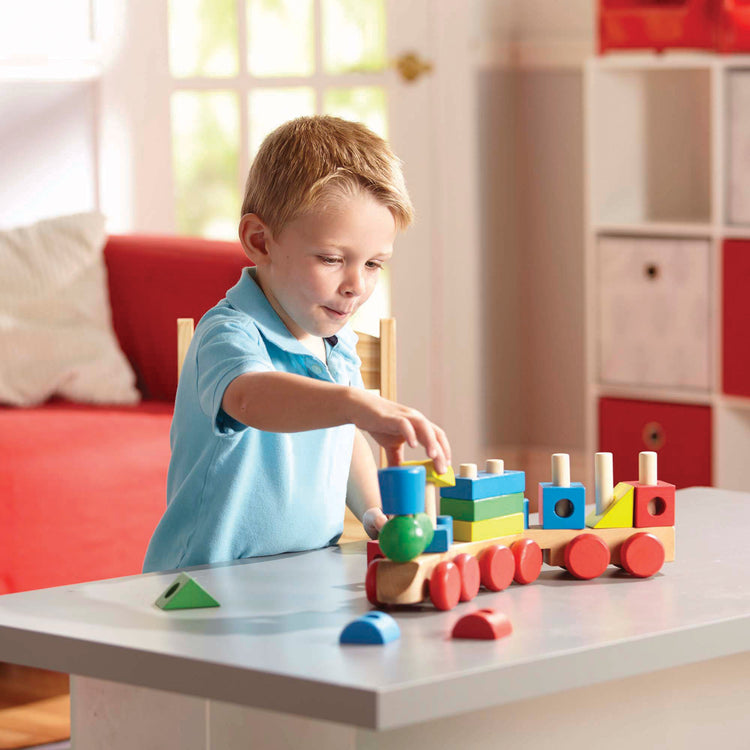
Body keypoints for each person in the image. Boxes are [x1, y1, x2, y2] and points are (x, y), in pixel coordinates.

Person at [142, 115, 451, 573]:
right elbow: (251, 398)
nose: (355, 285)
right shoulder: (228, 333)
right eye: (331, 259)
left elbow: (343, 443)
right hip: (204, 581)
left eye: (373, 264)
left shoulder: (336, 345)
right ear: (260, 241)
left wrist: (371, 512)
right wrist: (355, 403)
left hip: (301, 570)